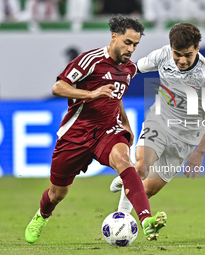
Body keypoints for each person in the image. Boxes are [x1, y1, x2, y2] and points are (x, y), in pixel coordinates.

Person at [25, 16, 167, 244]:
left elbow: (115, 96)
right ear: (114, 37)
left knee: (125, 162)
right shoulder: (90, 60)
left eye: (135, 45)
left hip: (106, 131)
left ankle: (146, 220)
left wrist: (126, 123)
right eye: (127, 42)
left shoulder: (129, 69)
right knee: (57, 193)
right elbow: (58, 87)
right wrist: (91, 93)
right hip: (76, 135)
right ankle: (42, 215)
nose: (131, 49)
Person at [110, 23, 205, 218]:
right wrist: (113, 78)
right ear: (170, 46)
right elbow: (134, 69)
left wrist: (200, 152)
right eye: (177, 54)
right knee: (142, 166)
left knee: (148, 190)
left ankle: (127, 176)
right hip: (160, 122)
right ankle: (121, 219)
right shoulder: (162, 55)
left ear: (197, 48)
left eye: (188, 54)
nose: (181, 60)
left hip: (186, 139)